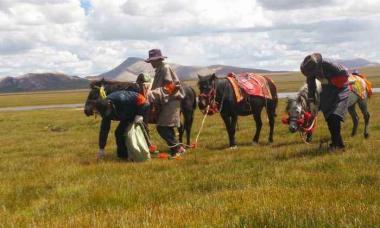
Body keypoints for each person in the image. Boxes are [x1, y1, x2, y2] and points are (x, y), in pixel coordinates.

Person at [300, 53, 349, 151]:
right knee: (330, 119)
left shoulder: (330, 65)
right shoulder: (310, 70)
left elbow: (345, 76)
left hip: (340, 90)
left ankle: (336, 145)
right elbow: (311, 87)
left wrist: (329, 81)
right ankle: (338, 144)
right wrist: (311, 101)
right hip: (326, 92)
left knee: (335, 117)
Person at [145, 49, 186, 157]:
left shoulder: (165, 68)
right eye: (151, 61)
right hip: (167, 101)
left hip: (171, 101)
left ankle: (176, 150)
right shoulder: (160, 68)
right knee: (167, 127)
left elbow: (170, 87)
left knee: (162, 127)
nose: (151, 63)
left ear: (159, 59)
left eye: (153, 61)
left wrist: (151, 94)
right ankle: (178, 148)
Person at [92, 90, 149, 160]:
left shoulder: (122, 99)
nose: (108, 115)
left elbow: (144, 102)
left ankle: (146, 151)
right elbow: (104, 130)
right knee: (119, 133)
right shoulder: (104, 109)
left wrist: (140, 114)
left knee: (140, 132)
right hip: (127, 114)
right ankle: (123, 156)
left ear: (110, 105)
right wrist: (101, 148)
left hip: (141, 106)